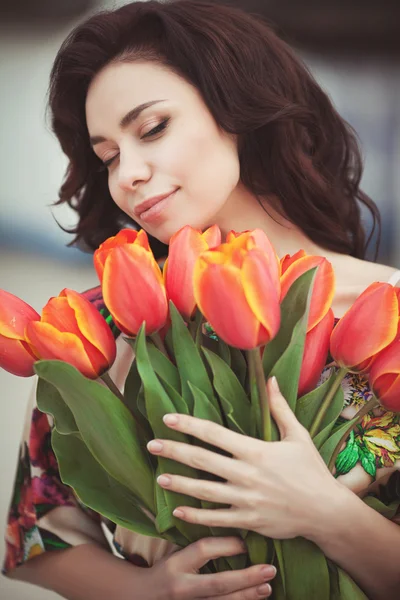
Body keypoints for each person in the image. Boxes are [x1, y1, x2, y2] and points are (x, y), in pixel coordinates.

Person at [3, 1, 400, 598]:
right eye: (108, 156)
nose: (127, 174)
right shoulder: (98, 326)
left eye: (153, 128)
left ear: (238, 110)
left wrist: (327, 513)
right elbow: (35, 539)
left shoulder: (386, 309)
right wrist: (149, 592)